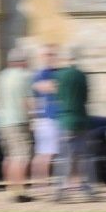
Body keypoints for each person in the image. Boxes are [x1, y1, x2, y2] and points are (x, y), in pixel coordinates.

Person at [54, 46, 96, 201]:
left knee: (65, 157)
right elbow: (86, 97)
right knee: (84, 157)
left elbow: (58, 97)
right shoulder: (82, 75)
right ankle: (88, 188)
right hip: (81, 119)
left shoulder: (60, 75)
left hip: (66, 119)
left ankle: (61, 189)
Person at [0, 47, 35, 202]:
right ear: (23, 62)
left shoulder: (0, 76)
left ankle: (10, 190)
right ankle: (19, 192)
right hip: (18, 121)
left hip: (1, 121)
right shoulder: (25, 76)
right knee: (21, 157)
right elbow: (27, 101)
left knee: (9, 157)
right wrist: (32, 119)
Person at [30, 44, 63, 191]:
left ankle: (40, 184)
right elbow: (47, 88)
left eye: (53, 54)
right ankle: (40, 184)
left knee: (47, 153)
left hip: (51, 117)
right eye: (48, 54)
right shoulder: (42, 73)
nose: (52, 57)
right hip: (48, 118)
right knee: (45, 154)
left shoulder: (53, 73)